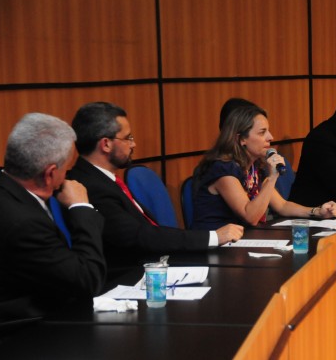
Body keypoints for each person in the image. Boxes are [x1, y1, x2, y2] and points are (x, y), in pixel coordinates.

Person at [67, 102, 243, 270]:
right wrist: (214, 236)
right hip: (131, 275)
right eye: (128, 138)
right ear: (106, 144)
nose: (133, 144)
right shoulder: (89, 186)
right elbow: (138, 236)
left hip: (154, 262)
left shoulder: (103, 179)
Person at [0, 113, 106, 326]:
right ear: (50, 174)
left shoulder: (3, 190)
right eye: (66, 169)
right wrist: (81, 207)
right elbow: (88, 280)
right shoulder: (24, 222)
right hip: (24, 333)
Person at [192, 102, 336, 230]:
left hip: (240, 242)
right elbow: (250, 216)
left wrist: (317, 211)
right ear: (241, 138)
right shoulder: (223, 170)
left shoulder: (255, 168)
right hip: (214, 248)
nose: (271, 137)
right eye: (262, 132)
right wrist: (272, 176)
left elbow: (281, 206)